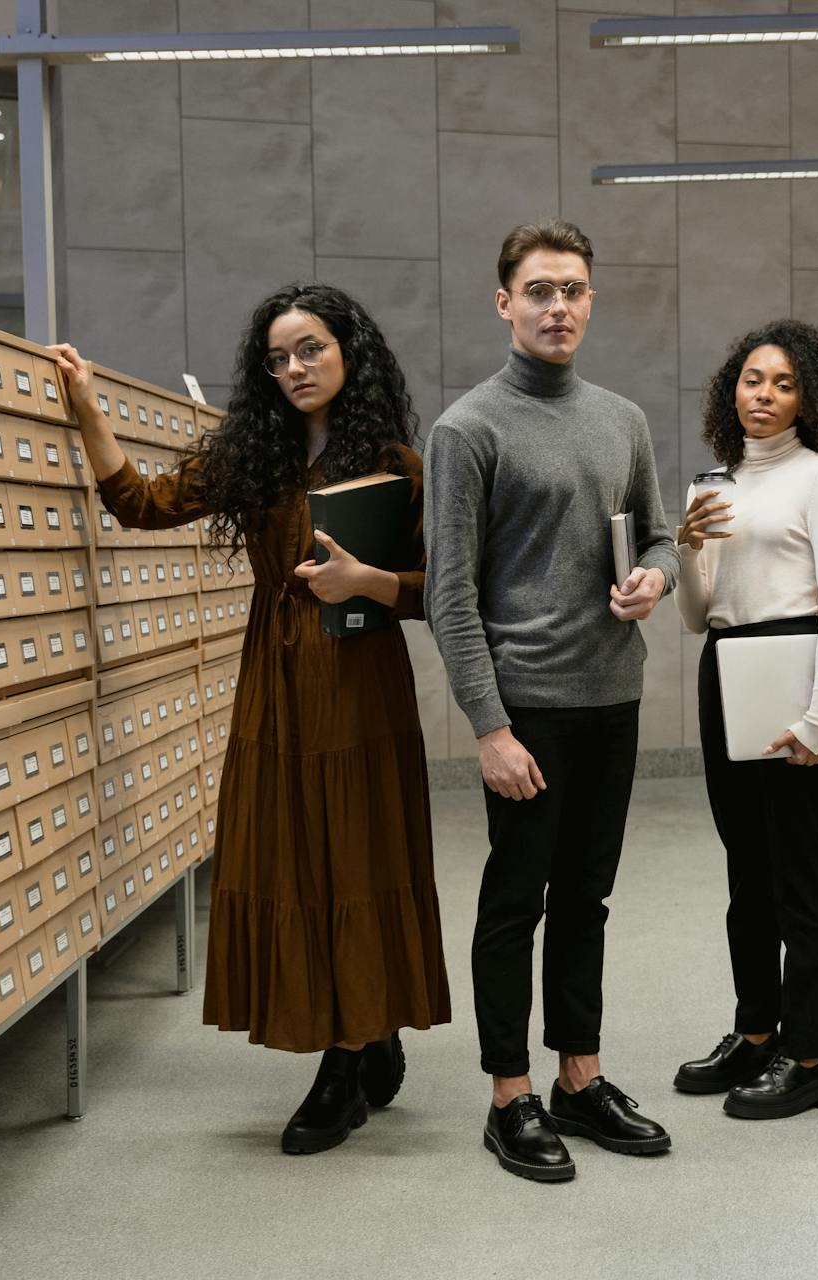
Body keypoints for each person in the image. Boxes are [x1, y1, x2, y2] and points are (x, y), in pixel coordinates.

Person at [48, 283, 451, 1155]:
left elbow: (441, 593)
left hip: (360, 685)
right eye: (278, 358)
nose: (295, 369)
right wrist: (87, 411)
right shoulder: (255, 454)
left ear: (351, 352)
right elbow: (140, 504)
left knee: (355, 851)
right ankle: (368, 1031)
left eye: (311, 349)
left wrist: (368, 584)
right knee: (297, 855)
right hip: (274, 679)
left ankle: (344, 1068)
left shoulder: (397, 462)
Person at [425, 219, 681, 1182]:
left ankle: (580, 1078)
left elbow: (659, 536)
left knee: (587, 897)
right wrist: (488, 727)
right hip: (524, 710)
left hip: (611, 698)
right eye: (539, 290)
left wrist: (654, 579)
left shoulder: (622, 421)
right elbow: (449, 595)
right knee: (513, 901)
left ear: (591, 299)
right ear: (506, 303)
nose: (557, 306)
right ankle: (509, 1095)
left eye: (572, 289)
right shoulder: (468, 428)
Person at [671, 319, 818, 1120]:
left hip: (795, 672)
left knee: (800, 875)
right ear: (733, 388)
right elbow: (695, 615)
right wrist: (684, 549)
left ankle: (811, 1054)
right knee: (746, 869)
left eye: (785, 383)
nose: (766, 395)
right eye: (755, 379)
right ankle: (757, 1033)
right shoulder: (710, 486)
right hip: (725, 666)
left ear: (808, 399)